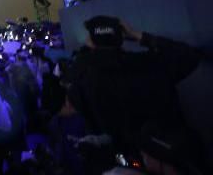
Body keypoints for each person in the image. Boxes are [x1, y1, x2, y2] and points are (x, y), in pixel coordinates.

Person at [66, 16, 201, 160]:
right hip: (171, 153)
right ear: (121, 38)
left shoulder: (85, 81)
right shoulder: (146, 64)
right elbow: (188, 56)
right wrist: (138, 35)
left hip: (127, 158)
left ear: (91, 42)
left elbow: (74, 77)